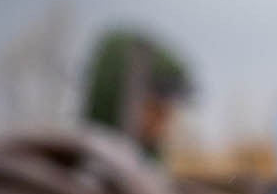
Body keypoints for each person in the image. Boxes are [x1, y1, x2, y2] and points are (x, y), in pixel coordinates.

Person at [80, 27, 193, 161]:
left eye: (167, 114)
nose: (163, 129)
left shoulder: (148, 168)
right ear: (113, 100)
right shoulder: (76, 165)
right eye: (156, 111)